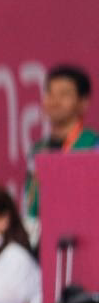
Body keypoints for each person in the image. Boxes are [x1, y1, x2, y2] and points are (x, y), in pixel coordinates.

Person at [23, 64, 96, 248]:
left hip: (84, 243)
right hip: (41, 244)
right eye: (50, 93)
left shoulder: (93, 145)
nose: (54, 101)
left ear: (83, 102)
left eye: (64, 94)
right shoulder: (37, 150)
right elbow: (30, 203)